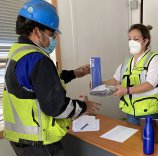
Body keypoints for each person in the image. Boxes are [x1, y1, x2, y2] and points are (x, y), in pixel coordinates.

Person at [3, 0, 100, 156]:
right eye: (51, 34)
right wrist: (84, 106)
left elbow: (38, 83)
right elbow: (57, 107)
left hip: (21, 140)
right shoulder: (38, 59)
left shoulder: (18, 52)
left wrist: (74, 73)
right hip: (39, 143)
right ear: (36, 31)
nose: (53, 38)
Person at [103, 24, 158, 125]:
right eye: (130, 39)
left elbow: (150, 84)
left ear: (145, 41)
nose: (131, 42)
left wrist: (126, 90)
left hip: (152, 112)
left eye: (136, 39)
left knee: (151, 140)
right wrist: (100, 83)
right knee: (133, 140)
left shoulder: (155, 59)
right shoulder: (127, 62)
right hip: (132, 112)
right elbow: (116, 80)